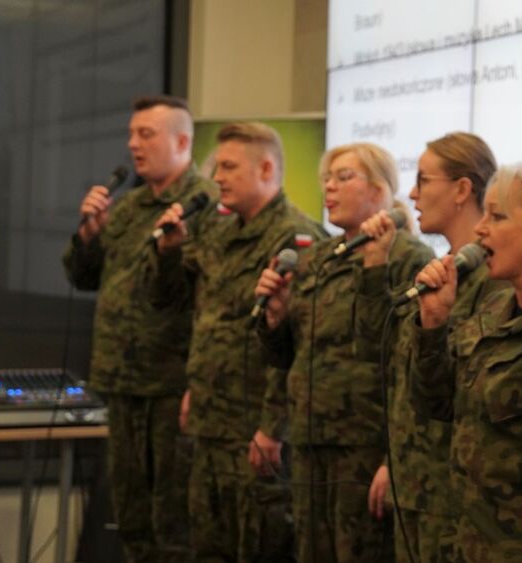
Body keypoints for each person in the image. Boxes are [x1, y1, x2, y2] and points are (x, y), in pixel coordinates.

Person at [150, 121, 325, 562]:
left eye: (229, 167)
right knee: (208, 547)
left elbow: (301, 346)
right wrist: (169, 251)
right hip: (210, 421)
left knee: (257, 546)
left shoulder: (296, 238)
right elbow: (186, 308)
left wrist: (274, 425)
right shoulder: (220, 231)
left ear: (266, 168)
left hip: (255, 428)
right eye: (217, 166)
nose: (218, 177)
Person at [255, 142, 433, 562]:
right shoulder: (317, 258)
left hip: (365, 446)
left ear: (379, 189)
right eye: (326, 180)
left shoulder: (410, 257)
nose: (329, 188)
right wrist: (274, 321)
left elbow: (405, 366)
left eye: (343, 177)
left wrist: (396, 458)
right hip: (310, 440)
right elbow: (289, 357)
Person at [62, 95, 216, 563]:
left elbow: (200, 295)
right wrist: (88, 235)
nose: (133, 144)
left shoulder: (204, 208)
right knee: (130, 518)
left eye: (145, 134)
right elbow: (84, 278)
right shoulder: (126, 210)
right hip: (122, 384)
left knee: (172, 524)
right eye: (132, 134)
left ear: (182, 141)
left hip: (171, 386)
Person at [407, 161, 522, 561]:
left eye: (497, 216)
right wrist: (433, 323)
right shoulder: (491, 308)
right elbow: (438, 403)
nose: (480, 229)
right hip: (467, 535)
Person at [356, 132, 506, 562]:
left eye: (424, 180)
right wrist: (393, 459)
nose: (413, 193)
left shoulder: (493, 280)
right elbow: (395, 370)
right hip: (415, 480)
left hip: (453, 491)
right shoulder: (438, 271)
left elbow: (462, 391)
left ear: (462, 189)